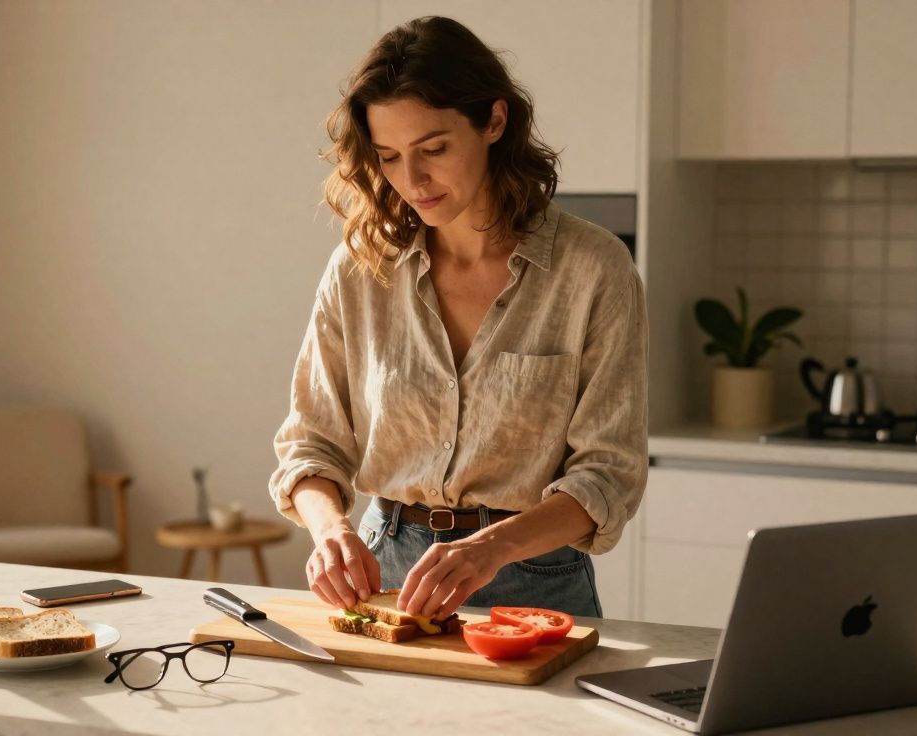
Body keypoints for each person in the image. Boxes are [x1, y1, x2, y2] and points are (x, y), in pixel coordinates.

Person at [268, 16, 648, 621]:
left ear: (494, 121)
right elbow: (311, 444)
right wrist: (330, 530)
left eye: (434, 149)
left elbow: (608, 474)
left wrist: (489, 548)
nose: (411, 180)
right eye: (389, 156)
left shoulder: (593, 269)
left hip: (537, 583)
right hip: (384, 572)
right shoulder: (361, 270)